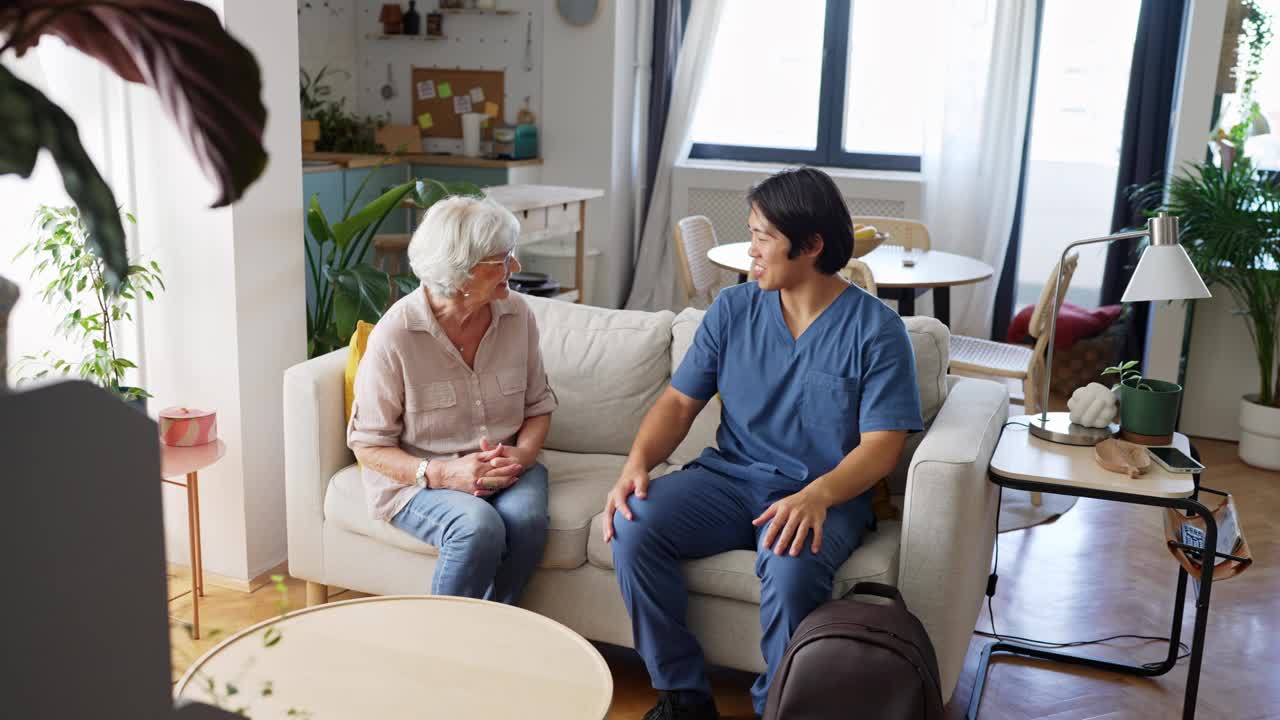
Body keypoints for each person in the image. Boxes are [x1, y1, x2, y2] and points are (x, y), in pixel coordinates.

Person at [603, 167, 924, 719]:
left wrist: (818, 496)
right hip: (728, 479)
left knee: (790, 566)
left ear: (812, 245)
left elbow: (881, 448)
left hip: (823, 494)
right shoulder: (733, 310)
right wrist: (636, 464)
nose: (751, 251)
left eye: (762, 237)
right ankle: (683, 697)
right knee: (634, 526)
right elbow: (680, 404)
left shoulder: (877, 330)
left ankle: (776, 708)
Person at [348, 195, 557, 603]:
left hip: (503, 465)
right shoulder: (397, 335)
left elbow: (538, 406)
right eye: (501, 259)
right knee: (478, 527)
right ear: (460, 271)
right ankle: (443, 647)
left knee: (527, 520)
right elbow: (368, 445)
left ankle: (496, 625)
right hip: (420, 479)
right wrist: (444, 474)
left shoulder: (518, 316)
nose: (514, 268)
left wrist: (524, 455)